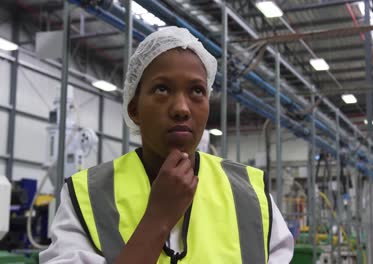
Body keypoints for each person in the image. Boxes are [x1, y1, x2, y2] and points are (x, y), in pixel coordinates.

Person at [40, 26, 293, 264]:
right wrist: (157, 219)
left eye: (196, 91)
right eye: (162, 89)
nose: (182, 108)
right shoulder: (87, 198)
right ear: (134, 109)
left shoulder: (252, 197)